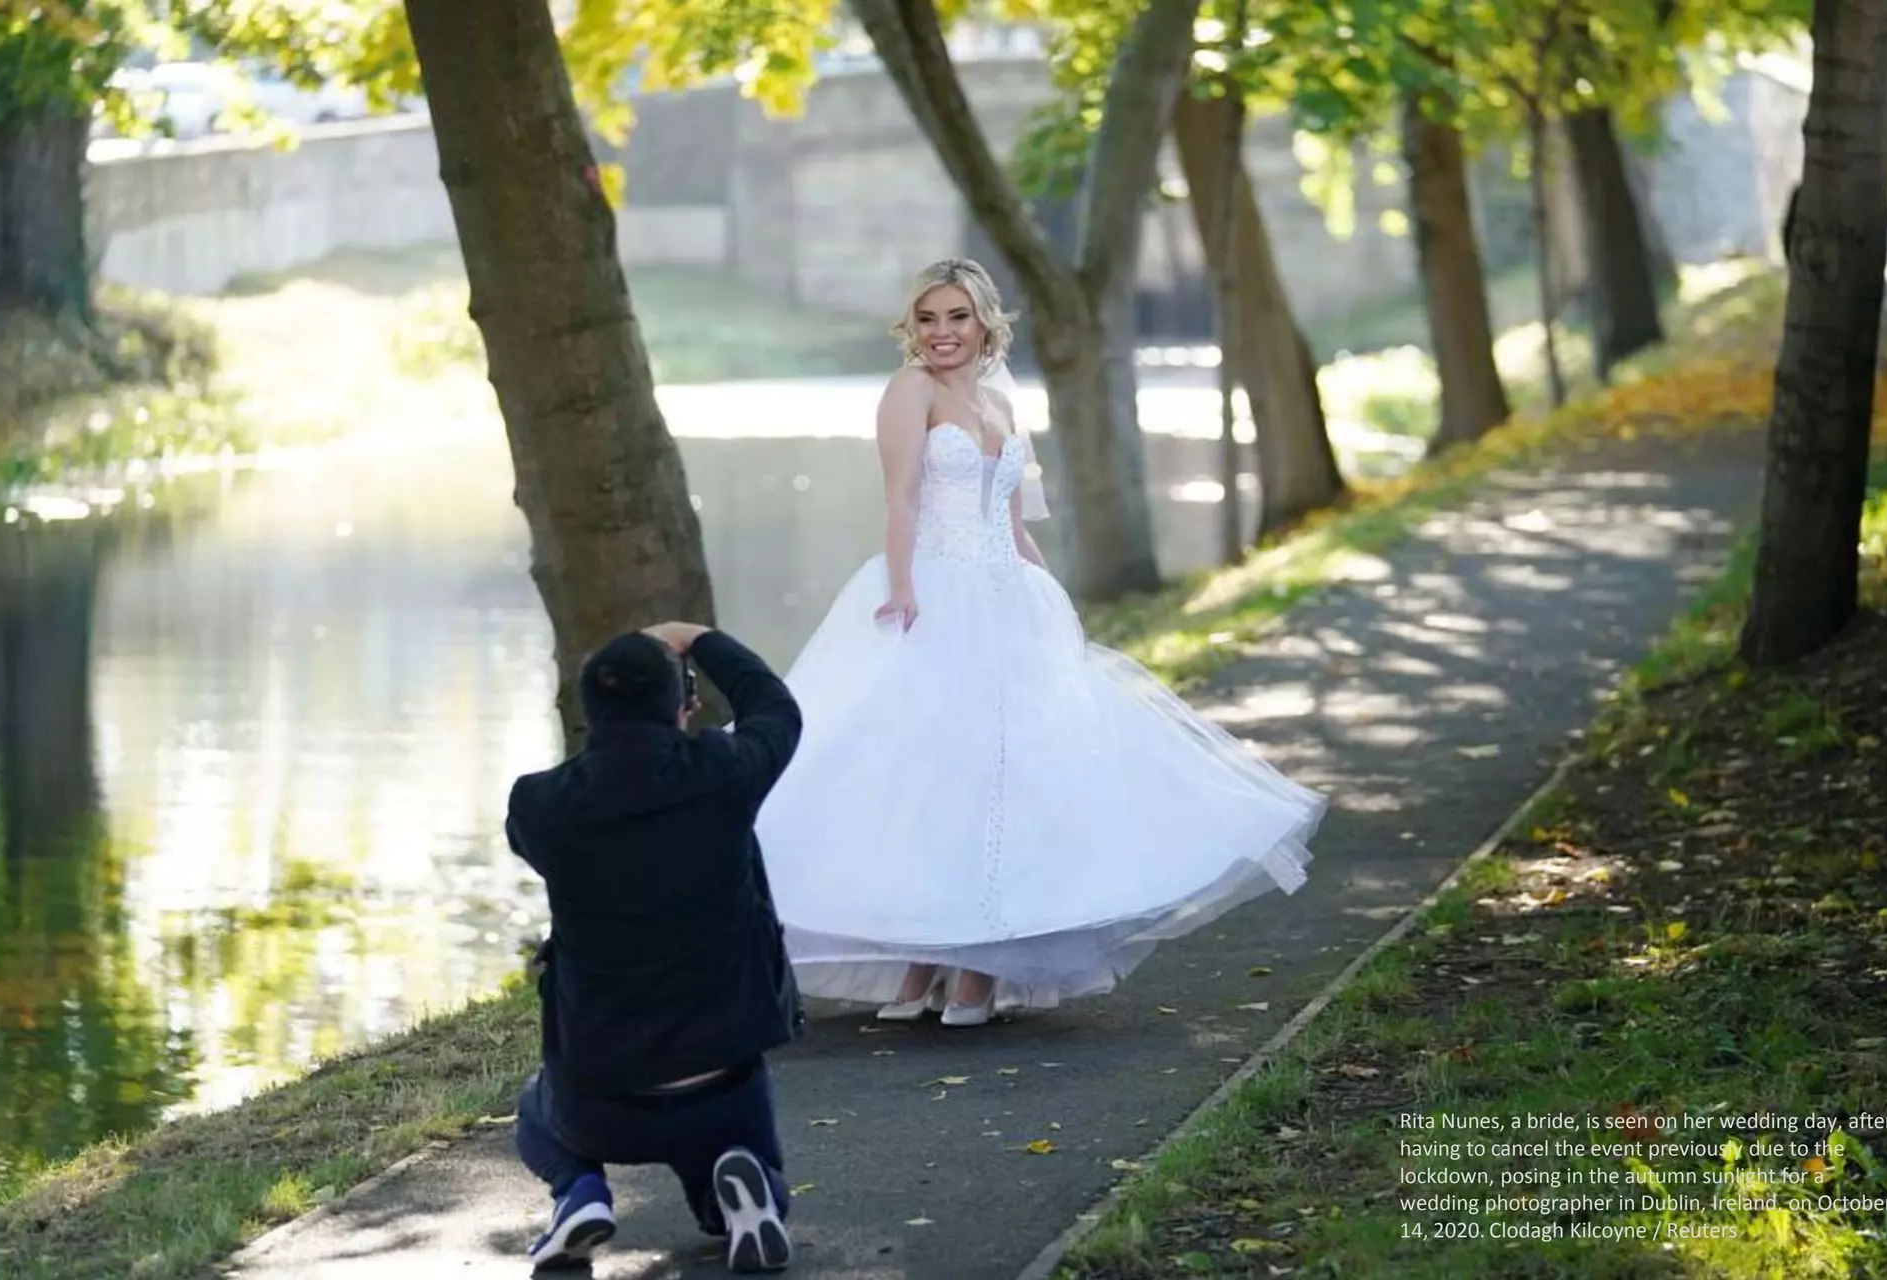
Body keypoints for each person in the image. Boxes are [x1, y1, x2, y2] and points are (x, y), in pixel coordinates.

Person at [754, 257, 1329, 1028]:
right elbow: (900, 497)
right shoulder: (909, 392)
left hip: (1007, 597)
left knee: (1004, 775)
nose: (942, 333)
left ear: (986, 322)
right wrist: (901, 587)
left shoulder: (997, 400)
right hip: (935, 589)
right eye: (928, 319)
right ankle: (934, 957)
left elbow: (1014, 520)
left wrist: (1049, 597)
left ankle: (969, 964)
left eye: (957, 317)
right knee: (936, 771)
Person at [507, 621, 802, 1273]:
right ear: (684, 706)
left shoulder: (541, 806)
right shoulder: (723, 775)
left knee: (535, 1110)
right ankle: (743, 1187)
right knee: (732, 1157)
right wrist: (701, 638)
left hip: (600, 1093)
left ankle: (579, 1192)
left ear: (588, 711)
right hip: (723, 1076)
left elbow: (536, 833)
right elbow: (775, 708)